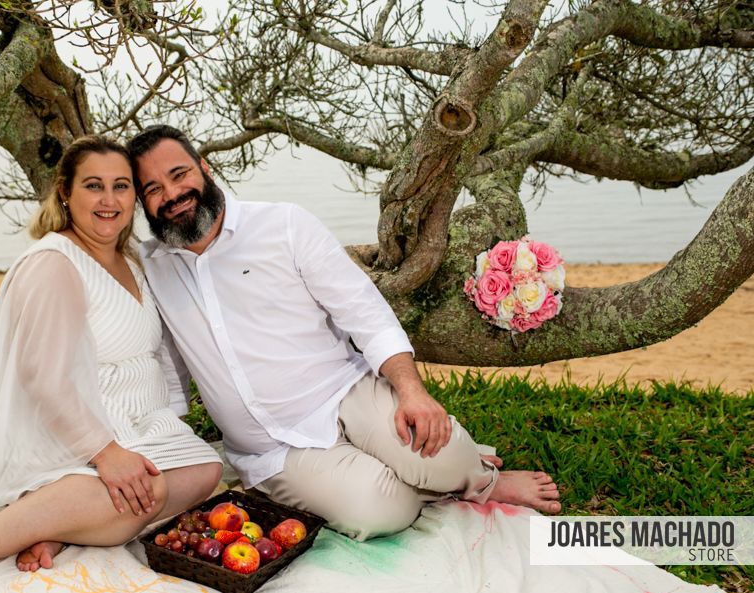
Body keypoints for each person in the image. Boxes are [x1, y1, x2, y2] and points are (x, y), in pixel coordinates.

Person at [126, 125, 562, 541]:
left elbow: (364, 311)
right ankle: (431, 478)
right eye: (153, 189)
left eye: (178, 174)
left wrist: (411, 392)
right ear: (142, 204)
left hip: (345, 392)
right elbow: (167, 369)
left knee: (445, 456)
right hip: (270, 450)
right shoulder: (151, 268)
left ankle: (480, 479)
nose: (172, 196)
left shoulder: (284, 225)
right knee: (381, 511)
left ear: (204, 168)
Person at [0, 135, 223, 593]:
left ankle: (60, 524)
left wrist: (164, 424)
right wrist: (106, 455)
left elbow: (154, 355)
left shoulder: (129, 259)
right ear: (65, 192)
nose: (109, 200)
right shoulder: (55, 263)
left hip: (133, 425)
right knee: (143, 499)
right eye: (94, 186)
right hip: (66, 432)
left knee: (205, 470)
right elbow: (42, 379)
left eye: (122, 187)